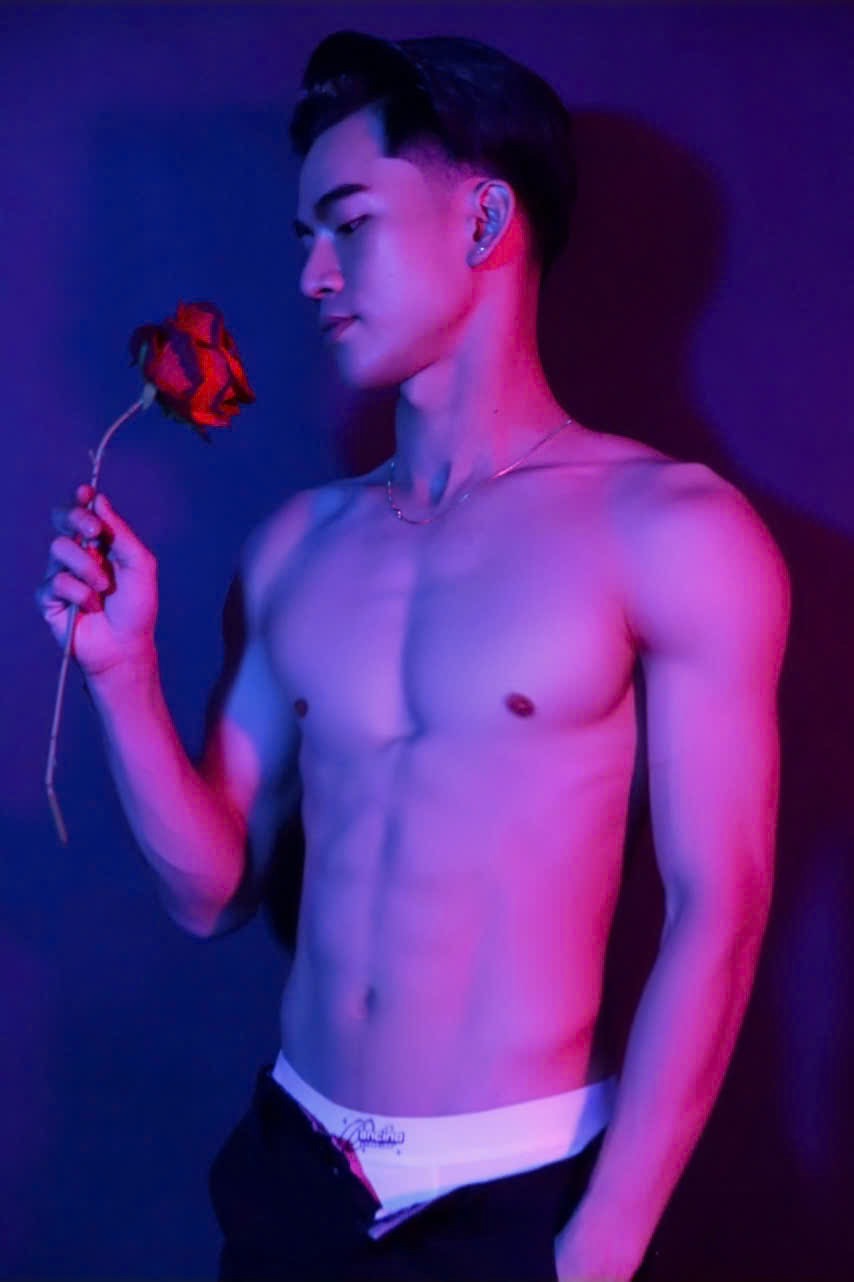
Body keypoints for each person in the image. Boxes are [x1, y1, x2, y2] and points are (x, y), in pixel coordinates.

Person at [37, 29, 792, 1282]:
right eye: (302, 237)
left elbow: (722, 903)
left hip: (513, 1199)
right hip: (292, 1177)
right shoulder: (298, 545)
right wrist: (122, 676)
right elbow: (210, 892)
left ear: (483, 219)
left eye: (348, 225)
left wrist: (600, 1244)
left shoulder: (669, 531)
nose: (310, 274)